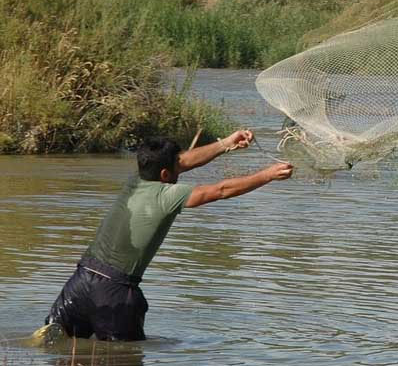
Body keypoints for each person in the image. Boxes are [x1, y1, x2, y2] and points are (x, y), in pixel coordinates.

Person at [42, 130, 293, 341]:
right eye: (176, 166)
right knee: (125, 357)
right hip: (115, 291)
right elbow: (221, 190)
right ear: (165, 175)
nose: (181, 166)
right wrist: (267, 175)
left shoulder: (135, 180)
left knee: (53, 341)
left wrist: (227, 144)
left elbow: (184, 162)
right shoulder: (168, 195)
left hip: (80, 280)